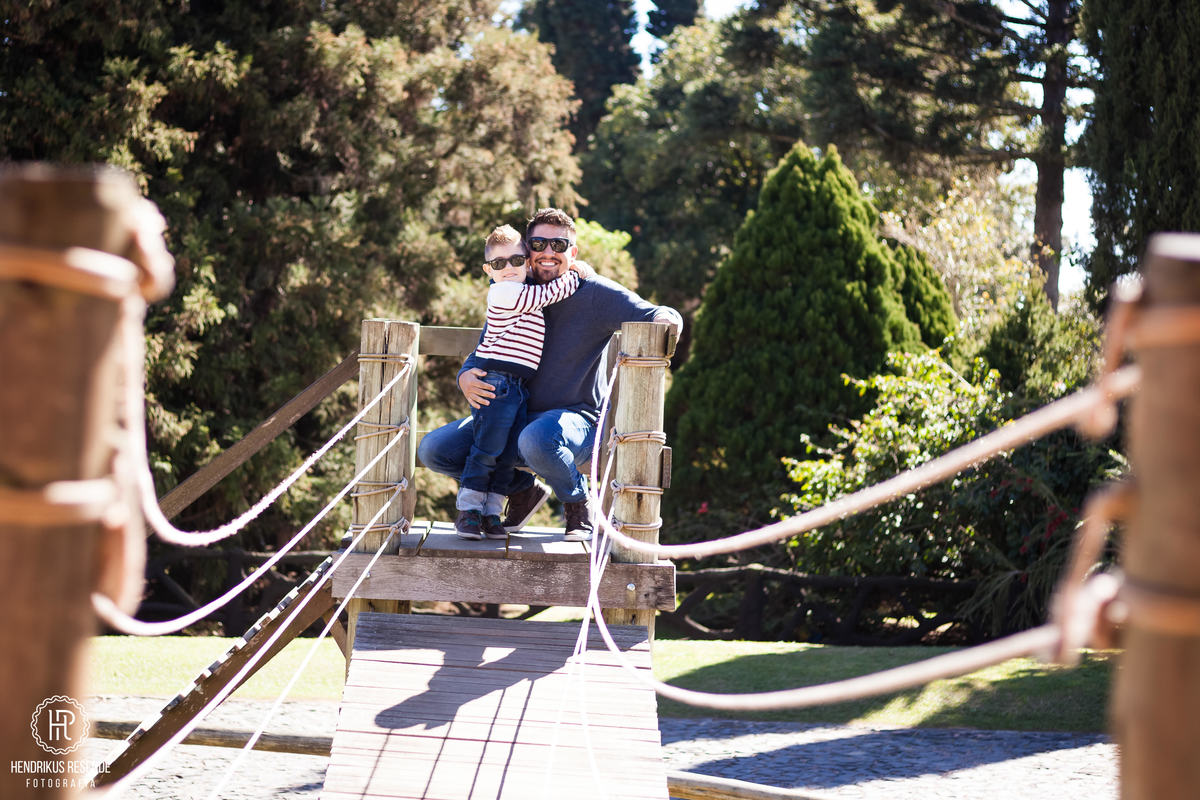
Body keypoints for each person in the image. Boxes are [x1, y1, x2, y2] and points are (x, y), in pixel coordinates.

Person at [419, 208, 683, 542]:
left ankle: (577, 503)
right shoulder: (513, 289)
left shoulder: (594, 292)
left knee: (537, 439)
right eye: (539, 243)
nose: (548, 252)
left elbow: (656, 312)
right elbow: (490, 344)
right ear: (526, 252)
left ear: (572, 253)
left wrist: (668, 323)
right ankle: (523, 491)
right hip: (511, 416)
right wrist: (465, 375)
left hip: (575, 424)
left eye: (558, 245)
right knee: (434, 449)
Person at [453, 224, 586, 540]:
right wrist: (577, 274)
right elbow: (551, 292)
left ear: (527, 261)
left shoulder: (522, 290)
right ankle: (469, 511)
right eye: (499, 264)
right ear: (489, 269)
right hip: (496, 384)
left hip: (517, 389)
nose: (509, 268)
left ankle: (492, 514)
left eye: (516, 260)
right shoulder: (504, 292)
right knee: (486, 450)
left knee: (506, 456)